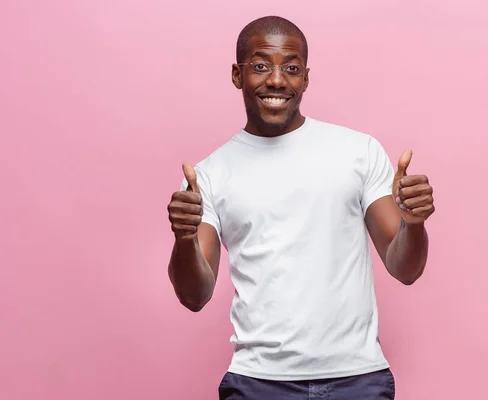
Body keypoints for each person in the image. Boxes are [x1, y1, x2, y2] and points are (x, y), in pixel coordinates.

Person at [167, 15, 435, 400]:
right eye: (260, 66)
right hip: (257, 383)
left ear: (305, 79)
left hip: (357, 379)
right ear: (236, 75)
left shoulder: (358, 152)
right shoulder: (208, 176)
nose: (276, 80)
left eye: (291, 68)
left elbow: (405, 269)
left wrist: (413, 224)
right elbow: (194, 297)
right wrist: (183, 238)